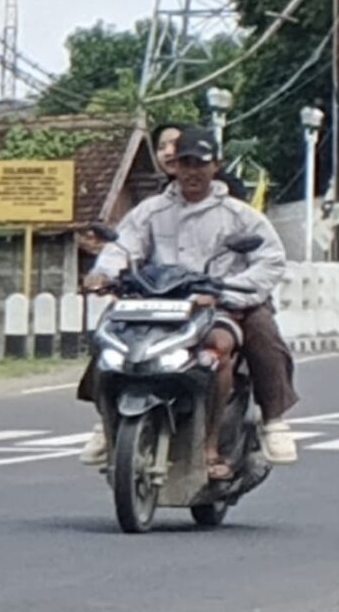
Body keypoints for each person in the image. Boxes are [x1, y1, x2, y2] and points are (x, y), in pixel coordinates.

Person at [77, 131, 301, 474]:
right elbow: (122, 247)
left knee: (237, 341)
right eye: (185, 163)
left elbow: (270, 260)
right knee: (110, 336)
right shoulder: (151, 211)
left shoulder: (240, 215)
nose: (193, 172)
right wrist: (103, 274)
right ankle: (106, 426)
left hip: (222, 304)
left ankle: (264, 425)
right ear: (174, 167)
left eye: (201, 163)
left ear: (216, 166)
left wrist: (226, 289)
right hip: (160, 303)